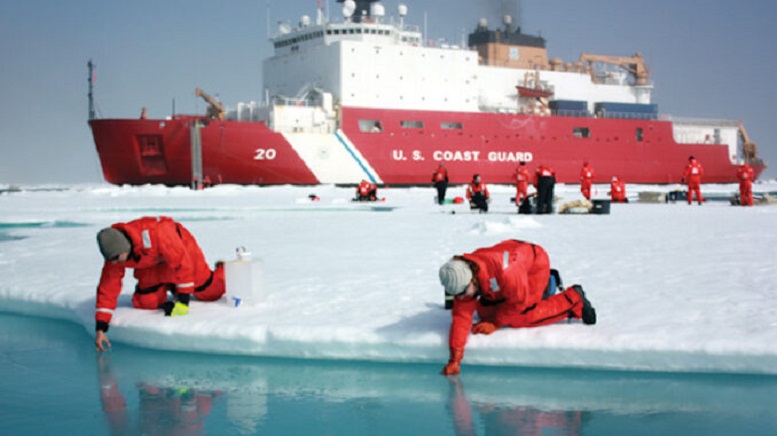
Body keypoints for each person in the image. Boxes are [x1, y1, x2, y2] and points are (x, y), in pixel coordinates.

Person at [438, 240, 596, 375]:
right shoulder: (461, 276)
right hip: (514, 262)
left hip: (534, 265)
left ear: (472, 279)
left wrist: (496, 323)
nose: (461, 298)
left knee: (520, 317)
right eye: (456, 295)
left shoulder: (507, 272)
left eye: (463, 292)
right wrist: (455, 359)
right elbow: (461, 317)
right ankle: (548, 283)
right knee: (484, 313)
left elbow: (517, 303)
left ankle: (573, 300)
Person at [94, 216, 226, 351]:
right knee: (145, 302)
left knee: (211, 292)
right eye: (111, 260)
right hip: (152, 264)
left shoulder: (159, 233)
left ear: (124, 249)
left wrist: (183, 302)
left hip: (182, 252)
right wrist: (101, 327)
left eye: (116, 259)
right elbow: (108, 286)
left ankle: (224, 269)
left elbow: (183, 265)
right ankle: (172, 284)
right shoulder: (114, 253)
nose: (114, 263)